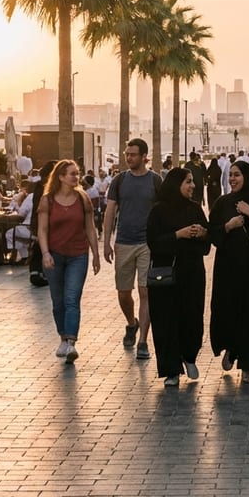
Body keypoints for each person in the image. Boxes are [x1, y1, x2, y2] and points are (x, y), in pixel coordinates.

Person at [208, 161, 249, 385]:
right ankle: (230, 348)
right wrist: (228, 226)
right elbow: (213, 235)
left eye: (237, 175)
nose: (233, 179)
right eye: (231, 176)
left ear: (247, 176)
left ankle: (248, 365)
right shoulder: (222, 203)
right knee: (226, 310)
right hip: (227, 269)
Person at [145, 168, 211, 387]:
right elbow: (154, 243)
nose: (193, 185)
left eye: (192, 181)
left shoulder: (195, 208)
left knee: (192, 317)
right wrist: (178, 235)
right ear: (176, 184)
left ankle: (189, 356)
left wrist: (202, 234)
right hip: (166, 276)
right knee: (166, 320)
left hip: (191, 273)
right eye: (188, 182)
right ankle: (171, 369)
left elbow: (206, 246)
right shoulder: (159, 211)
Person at [103, 138, 163, 360]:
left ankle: (143, 341)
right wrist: (107, 241)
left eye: (133, 155)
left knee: (145, 291)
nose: (129, 158)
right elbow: (110, 211)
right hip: (124, 243)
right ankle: (132, 323)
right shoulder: (119, 181)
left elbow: (162, 211)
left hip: (147, 243)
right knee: (123, 292)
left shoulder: (156, 181)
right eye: (127, 154)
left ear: (144, 156)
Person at [37, 160, 101, 364]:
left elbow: (90, 228)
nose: (76, 177)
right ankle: (63, 338)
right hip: (54, 255)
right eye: (72, 174)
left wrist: (96, 254)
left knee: (72, 298)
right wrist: (45, 253)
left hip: (78, 255)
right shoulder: (48, 200)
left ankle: (71, 342)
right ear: (61, 177)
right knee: (58, 301)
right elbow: (42, 230)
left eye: (77, 173)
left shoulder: (83, 199)